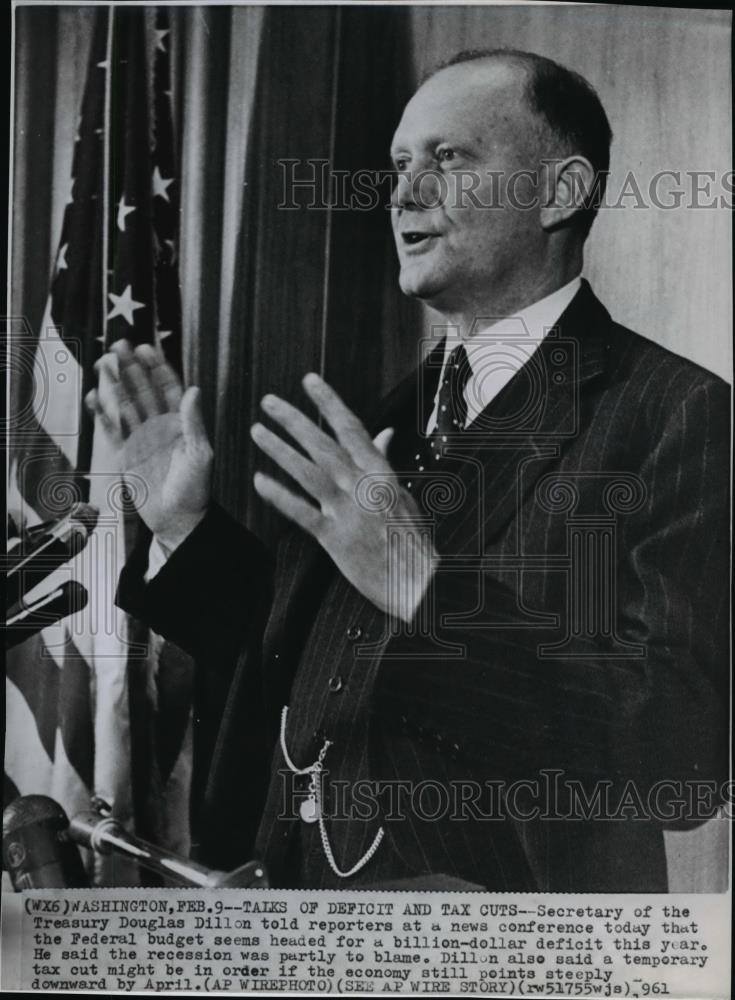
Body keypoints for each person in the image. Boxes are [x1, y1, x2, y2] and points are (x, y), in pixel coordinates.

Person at [88, 49, 729, 891]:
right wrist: (183, 531)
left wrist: (425, 590)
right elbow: (311, 655)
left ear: (561, 192)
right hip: (300, 917)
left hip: (502, 943)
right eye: (399, 165)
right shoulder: (392, 407)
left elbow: (675, 753)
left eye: (449, 158)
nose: (402, 194)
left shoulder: (675, 414)